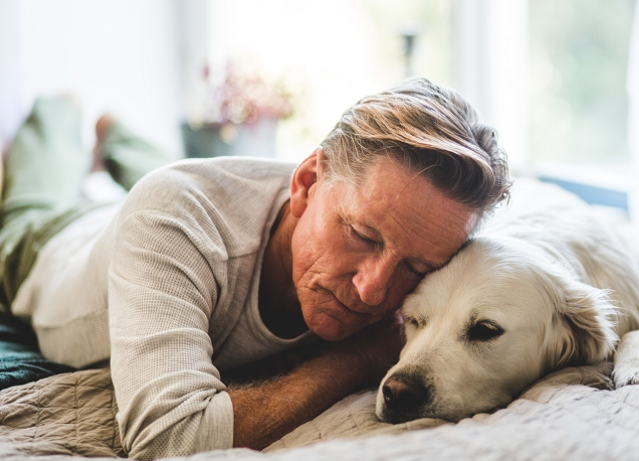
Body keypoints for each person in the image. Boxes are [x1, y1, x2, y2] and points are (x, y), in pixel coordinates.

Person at [0, 78, 510, 460]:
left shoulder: (388, 221)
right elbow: (170, 441)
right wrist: (357, 358)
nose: (374, 292)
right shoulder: (172, 212)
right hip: (52, 246)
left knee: (172, 182)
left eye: (417, 267)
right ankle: (63, 109)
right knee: (32, 201)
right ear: (308, 182)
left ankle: (119, 136)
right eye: (362, 235)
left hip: (190, 209)